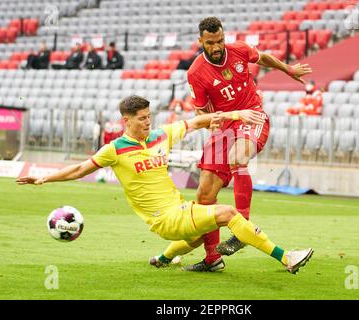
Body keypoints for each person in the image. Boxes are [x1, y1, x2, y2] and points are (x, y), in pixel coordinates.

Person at [16, 95, 314, 275]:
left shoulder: (160, 135)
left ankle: (162, 258)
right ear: (127, 120)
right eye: (142, 119)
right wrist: (44, 177)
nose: (148, 122)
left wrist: (234, 114)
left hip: (178, 210)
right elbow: (80, 168)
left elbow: (197, 122)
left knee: (199, 237)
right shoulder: (114, 149)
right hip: (163, 219)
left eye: (149, 117)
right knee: (227, 215)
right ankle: (287, 257)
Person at [166, 17, 312, 272]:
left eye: (220, 40)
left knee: (237, 157)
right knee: (204, 196)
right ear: (200, 41)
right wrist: (212, 123)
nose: (217, 46)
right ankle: (212, 258)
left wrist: (287, 69)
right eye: (210, 42)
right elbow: (202, 111)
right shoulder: (195, 73)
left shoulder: (239, 50)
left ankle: (242, 226)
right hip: (223, 127)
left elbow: (263, 57)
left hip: (252, 116)